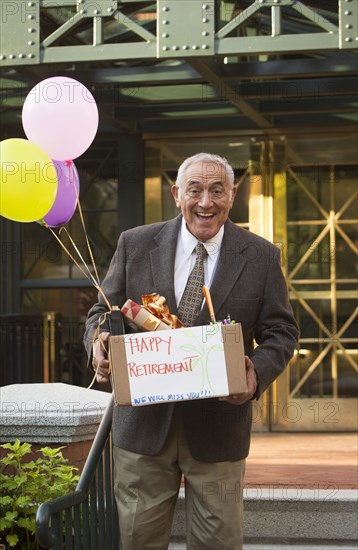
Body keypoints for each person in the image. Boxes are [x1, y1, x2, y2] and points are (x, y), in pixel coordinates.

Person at [84, 152, 299, 550]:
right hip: (144, 429)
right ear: (176, 194)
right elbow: (102, 311)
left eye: (217, 190)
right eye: (195, 190)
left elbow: (282, 331)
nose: (206, 202)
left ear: (232, 196)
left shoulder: (262, 256)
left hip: (219, 426)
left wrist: (256, 374)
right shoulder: (135, 243)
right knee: (136, 541)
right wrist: (99, 344)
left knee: (219, 542)